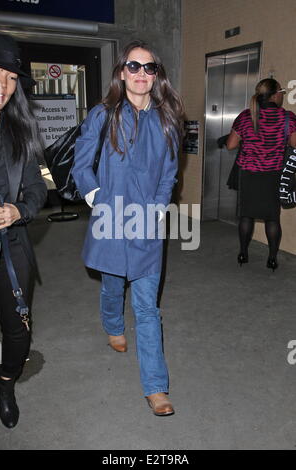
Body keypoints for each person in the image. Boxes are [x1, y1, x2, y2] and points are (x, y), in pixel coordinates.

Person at [72, 40, 184, 415]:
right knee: (112, 285)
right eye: (133, 67)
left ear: (156, 76)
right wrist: (96, 198)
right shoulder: (103, 115)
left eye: (148, 68)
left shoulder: (167, 120)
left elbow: (169, 174)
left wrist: (156, 210)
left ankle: (156, 387)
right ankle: (112, 325)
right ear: (122, 72)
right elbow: (81, 166)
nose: (140, 74)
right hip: (110, 218)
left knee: (148, 308)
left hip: (147, 223)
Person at [0, 33, 47, 428]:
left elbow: (38, 190)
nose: (4, 86)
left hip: (10, 248)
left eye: (12, 78)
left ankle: (5, 383)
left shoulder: (20, 135)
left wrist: (18, 210)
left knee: (18, 335)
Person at [226, 78, 296, 270]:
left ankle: (243, 254)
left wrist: (251, 141)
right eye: (281, 91)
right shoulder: (288, 118)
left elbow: (231, 144)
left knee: (246, 216)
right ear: (275, 95)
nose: (282, 94)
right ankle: (272, 259)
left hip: (248, 174)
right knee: (272, 218)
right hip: (272, 175)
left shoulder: (245, 116)